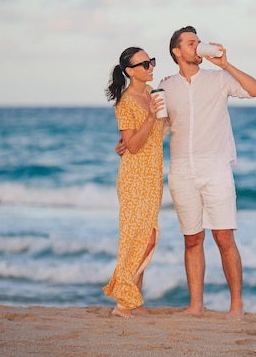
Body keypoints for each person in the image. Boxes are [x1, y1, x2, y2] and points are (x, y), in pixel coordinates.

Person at [116, 26, 256, 316]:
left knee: (223, 237)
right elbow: (161, 126)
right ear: (177, 51)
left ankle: (236, 305)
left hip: (216, 168)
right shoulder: (165, 87)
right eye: (192, 43)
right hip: (182, 171)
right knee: (192, 239)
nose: (199, 46)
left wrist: (225, 64)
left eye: (199, 42)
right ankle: (196, 305)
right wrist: (127, 139)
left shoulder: (219, 79)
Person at [103, 46, 165, 318]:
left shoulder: (153, 94)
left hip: (153, 175)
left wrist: (155, 116)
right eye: (144, 64)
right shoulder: (125, 102)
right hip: (134, 176)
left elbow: (160, 133)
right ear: (130, 71)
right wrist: (150, 116)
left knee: (143, 237)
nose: (150, 67)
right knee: (143, 239)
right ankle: (122, 303)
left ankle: (132, 300)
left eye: (151, 61)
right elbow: (135, 147)